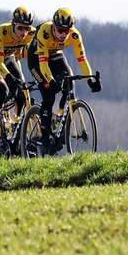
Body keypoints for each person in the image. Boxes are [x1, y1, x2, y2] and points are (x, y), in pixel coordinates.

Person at [27, 8, 100, 155]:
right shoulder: (44, 32)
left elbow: (82, 60)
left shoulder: (74, 35)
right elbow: (43, 65)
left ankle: (60, 115)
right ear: (54, 26)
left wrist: (90, 80)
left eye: (66, 31)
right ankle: (45, 136)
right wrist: (51, 80)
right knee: (48, 94)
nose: (62, 35)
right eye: (60, 30)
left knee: (69, 83)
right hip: (37, 59)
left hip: (56, 56)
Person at [0, 7, 36, 155]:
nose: (24, 32)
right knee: (2, 89)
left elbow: (33, 57)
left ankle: (16, 130)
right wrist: (10, 78)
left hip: (8, 58)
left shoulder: (31, 34)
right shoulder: (2, 32)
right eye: (20, 28)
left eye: (26, 28)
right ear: (12, 24)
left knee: (22, 93)